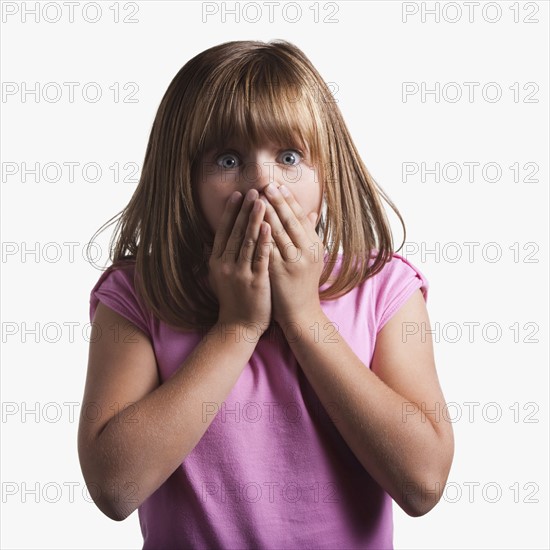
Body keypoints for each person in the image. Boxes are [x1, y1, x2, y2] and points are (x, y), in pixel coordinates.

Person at [78, 39, 454, 549]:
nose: (262, 183)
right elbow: (115, 489)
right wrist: (237, 327)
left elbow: (423, 484)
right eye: (228, 159)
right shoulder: (140, 297)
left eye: (290, 156)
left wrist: (304, 318)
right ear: (183, 179)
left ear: (328, 173)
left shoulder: (383, 290)